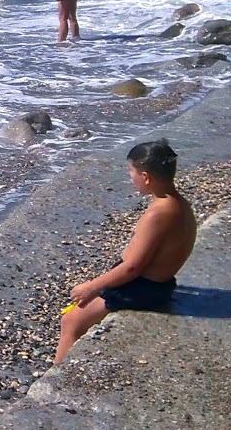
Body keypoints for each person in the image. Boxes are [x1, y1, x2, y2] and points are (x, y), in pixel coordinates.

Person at [53, 139, 196, 363]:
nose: (130, 177)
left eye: (131, 171)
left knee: (71, 321)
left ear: (146, 177)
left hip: (142, 288)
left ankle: (56, 377)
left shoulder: (159, 214)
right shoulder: (177, 203)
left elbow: (132, 268)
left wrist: (90, 287)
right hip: (155, 283)